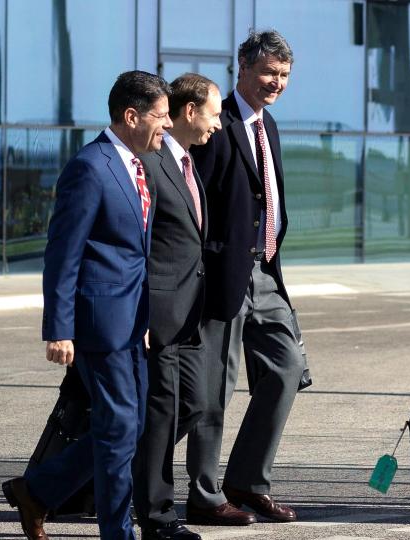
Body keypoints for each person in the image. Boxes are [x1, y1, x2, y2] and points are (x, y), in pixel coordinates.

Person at [2, 71, 172, 540]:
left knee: (129, 428)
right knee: (120, 429)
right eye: (161, 116)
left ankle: (37, 490)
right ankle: (118, 533)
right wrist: (58, 328)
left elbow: (131, 252)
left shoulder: (136, 166)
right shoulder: (90, 166)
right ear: (131, 115)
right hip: (97, 324)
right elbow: (63, 251)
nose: (169, 125)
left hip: (131, 323)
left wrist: (143, 318)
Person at [185, 29, 304, 526]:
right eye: (268, 73)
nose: (275, 82)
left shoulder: (268, 125)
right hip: (223, 274)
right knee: (216, 389)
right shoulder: (218, 121)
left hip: (266, 272)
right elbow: (195, 197)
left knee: (286, 368)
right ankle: (205, 495)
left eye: (283, 76)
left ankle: (247, 481)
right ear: (242, 68)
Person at [132, 73, 223, 540]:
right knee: (161, 410)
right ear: (191, 112)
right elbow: (139, 245)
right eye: (215, 113)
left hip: (189, 313)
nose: (219, 125)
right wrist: (142, 310)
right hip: (158, 314)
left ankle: (62, 484)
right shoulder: (149, 162)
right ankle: (158, 515)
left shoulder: (188, 162)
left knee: (195, 404)